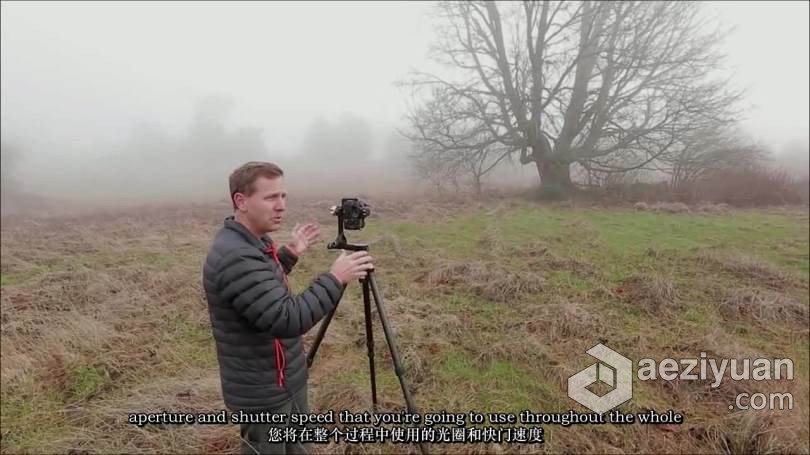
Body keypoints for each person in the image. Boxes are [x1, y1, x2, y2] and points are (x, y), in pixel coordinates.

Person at [202, 161, 374, 454]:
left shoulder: (252, 242)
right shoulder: (236, 256)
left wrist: (290, 253)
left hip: (283, 378)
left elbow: (260, 288)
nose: (281, 206)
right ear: (240, 201)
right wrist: (335, 278)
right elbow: (287, 318)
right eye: (270, 197)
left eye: (283, 196)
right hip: (265, 393)